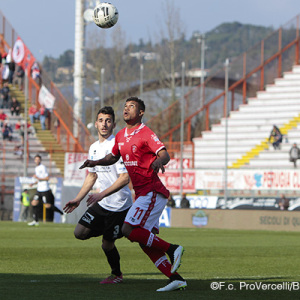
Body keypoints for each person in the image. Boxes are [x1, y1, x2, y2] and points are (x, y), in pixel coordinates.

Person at [80, 97, 187, 292]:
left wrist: (158, 162)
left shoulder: (145, 133)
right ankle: (175, 278)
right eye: (125, 106)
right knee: (142, 240)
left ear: (141, 113)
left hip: (152, 191)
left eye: (132, 106)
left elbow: (165, 154)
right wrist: (95, 163)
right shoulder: (121, 135)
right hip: (142, 194)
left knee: (128, 230)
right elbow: (112, 157)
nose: (127, 109)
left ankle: (173, 248)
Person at [64, 106, 133, 284]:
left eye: (108, 120)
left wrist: (101, 194)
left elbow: (124, 179)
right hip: (102, 203)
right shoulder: (94, 148)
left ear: (114, 124)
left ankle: (117, 275)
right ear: (96, 124)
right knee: (80, 233)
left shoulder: (117, 147)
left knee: (106, 244)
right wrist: (78, 199)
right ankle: (119, 231)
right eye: (101, 120)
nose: (104, 124)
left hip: (119, 205)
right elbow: (92, 176)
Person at [28, 154, 64, 226]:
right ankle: (36, 221)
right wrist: (33, 183)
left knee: (47, 206)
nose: (37, 161)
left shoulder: (43, 167)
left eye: (38, 159)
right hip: (39, 189)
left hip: (45, 189)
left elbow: (47, 178)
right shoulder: (36, 168)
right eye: (36, 159)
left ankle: (62, 213)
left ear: (40, 160)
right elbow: (40, 179)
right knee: (34, 202)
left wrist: (37, 178)